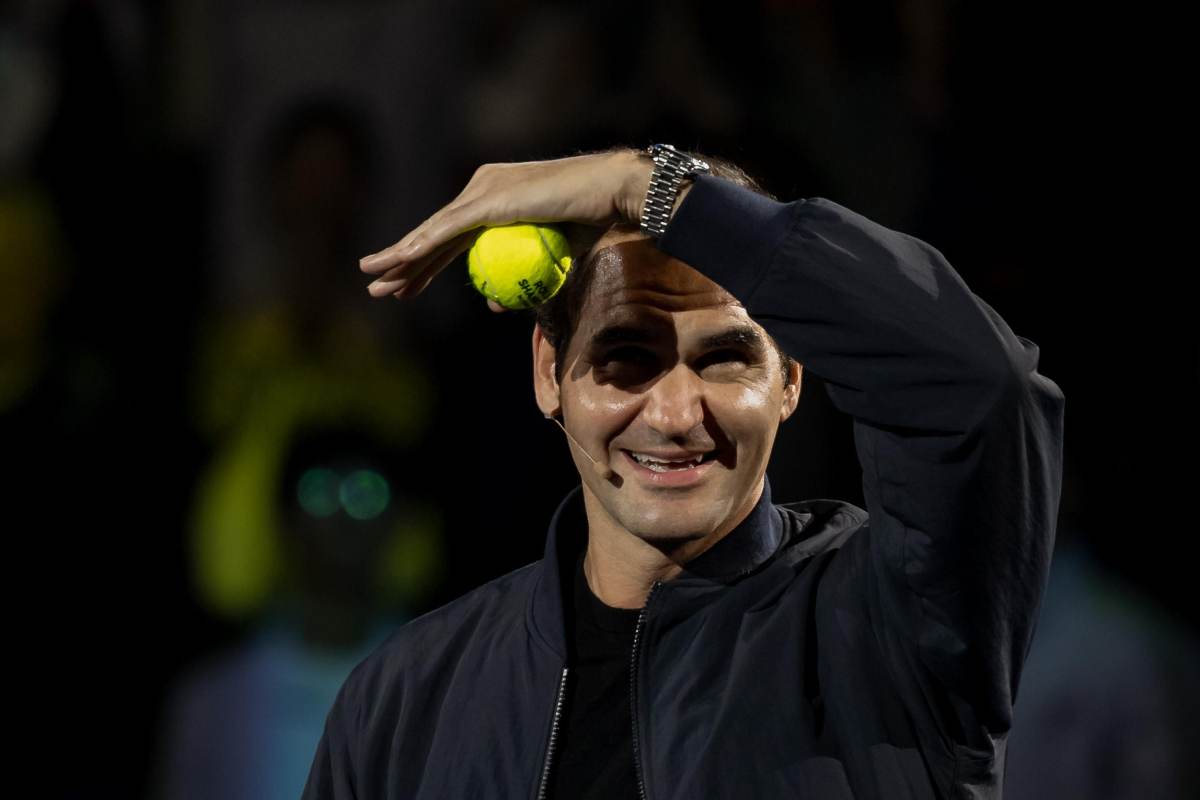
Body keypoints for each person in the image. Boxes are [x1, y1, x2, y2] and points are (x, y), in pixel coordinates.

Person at [303, 146, 1065, 798]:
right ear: (548, 374)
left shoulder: (891, 630)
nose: (673, 415)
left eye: (725, 358)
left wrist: (647, 184)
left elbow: (979, 391)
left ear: (792, 379)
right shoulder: (408, 699)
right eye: (626, 357)